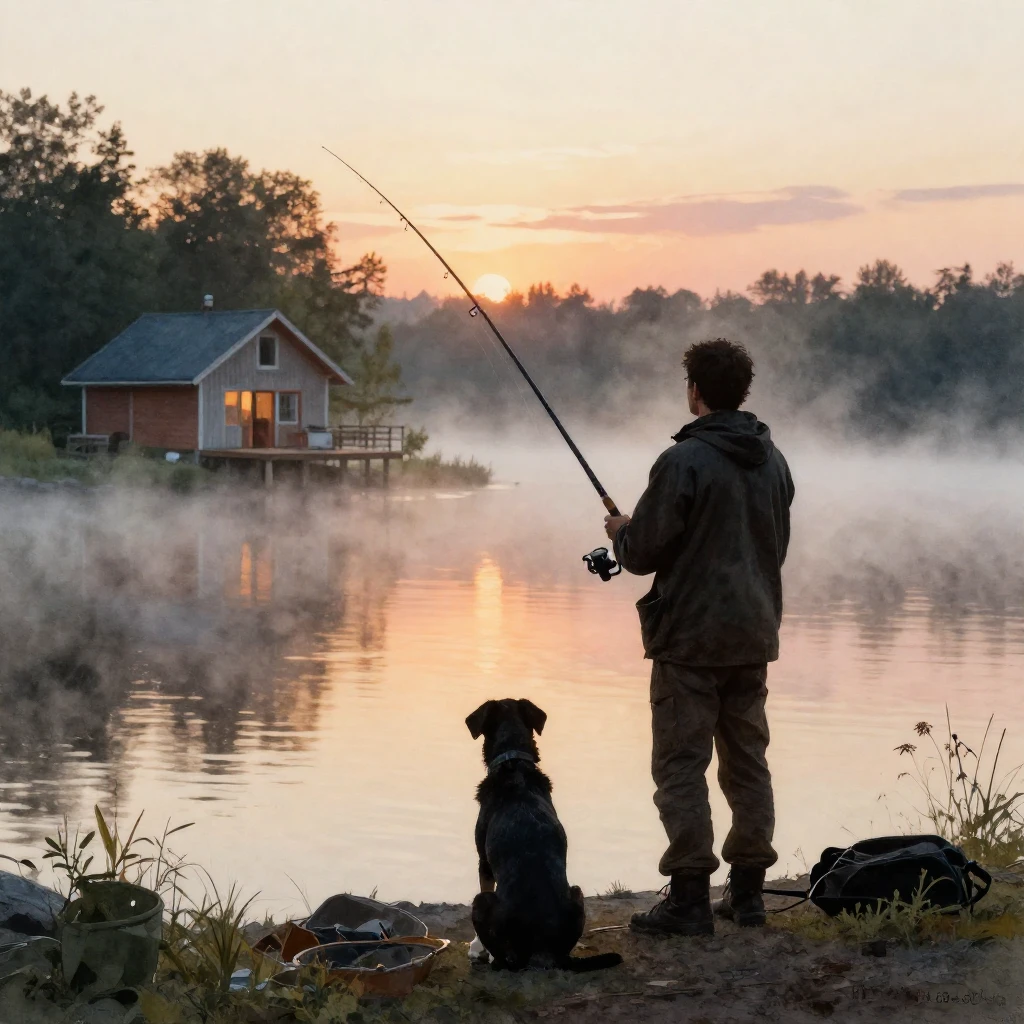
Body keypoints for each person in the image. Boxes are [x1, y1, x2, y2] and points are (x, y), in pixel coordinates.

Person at [603, 338, 795, 937]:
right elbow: (775, 546)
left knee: (680, 765)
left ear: (695, 391)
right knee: (748, 762)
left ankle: (689, 898)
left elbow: (642, 553)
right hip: (753, 634)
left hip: (688, 640)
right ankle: (748, 895)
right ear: (742, 391)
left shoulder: (682, 461)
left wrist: (621, 531)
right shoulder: (774, 460)